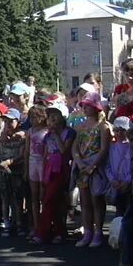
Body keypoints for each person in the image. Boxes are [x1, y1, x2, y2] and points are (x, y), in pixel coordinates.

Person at [71, 92, 111, 247]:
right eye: (84, 105)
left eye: (89, 106)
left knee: (97, 200)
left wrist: (93, 165)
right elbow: (75, 147)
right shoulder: (80, 126)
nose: (85, 108)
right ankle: (87, 232)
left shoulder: (103, 126)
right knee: (85, 201)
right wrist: (80, 163)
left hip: (96, 167)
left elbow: (103, 149)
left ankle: (98, 232)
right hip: (83, 167)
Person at [32, 103, 75, 245]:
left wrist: (56, 135)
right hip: (50, 168)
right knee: (54, 201)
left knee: (49, 200)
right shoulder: (47, 135)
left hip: (62, 168)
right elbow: (45, 154)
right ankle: (59, 231)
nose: (52, 120)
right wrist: (44, 173)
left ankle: (41, 233)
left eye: (55, 117)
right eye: (50, 117)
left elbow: (64, 151)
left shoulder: (69, 132)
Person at [0, 109, 26, 237]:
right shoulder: (2, 137)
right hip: (3, 171)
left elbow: (22, 155)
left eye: (11, 121)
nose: (8, 124)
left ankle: (19, 223)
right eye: (6, 121)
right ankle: (7, 223)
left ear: (18, 122)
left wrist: (10, 161)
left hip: (16, 171)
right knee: (5, 199)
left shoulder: (22, 137)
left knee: (17, 199)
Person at [24, 105, 48, 238]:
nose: (32, 120)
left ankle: (44, 225)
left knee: (43, 196)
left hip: (43, 163)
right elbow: (27, 151)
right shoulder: (30, 131)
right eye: (30, 117)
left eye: (35, 117)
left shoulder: (47, 131)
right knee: (34, 197)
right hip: (33, 162)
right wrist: (25, 170)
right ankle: (35, 225)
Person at [107, 117, 132, 216]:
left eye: (123, 130)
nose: (119, 133)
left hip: (128, 184)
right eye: (117, 130)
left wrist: (128, 180)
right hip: (116, 184)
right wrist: (112, 179)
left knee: (129, 210)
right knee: (119, 211)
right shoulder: (111, 147)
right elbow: (107, 165)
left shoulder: (132, 147)